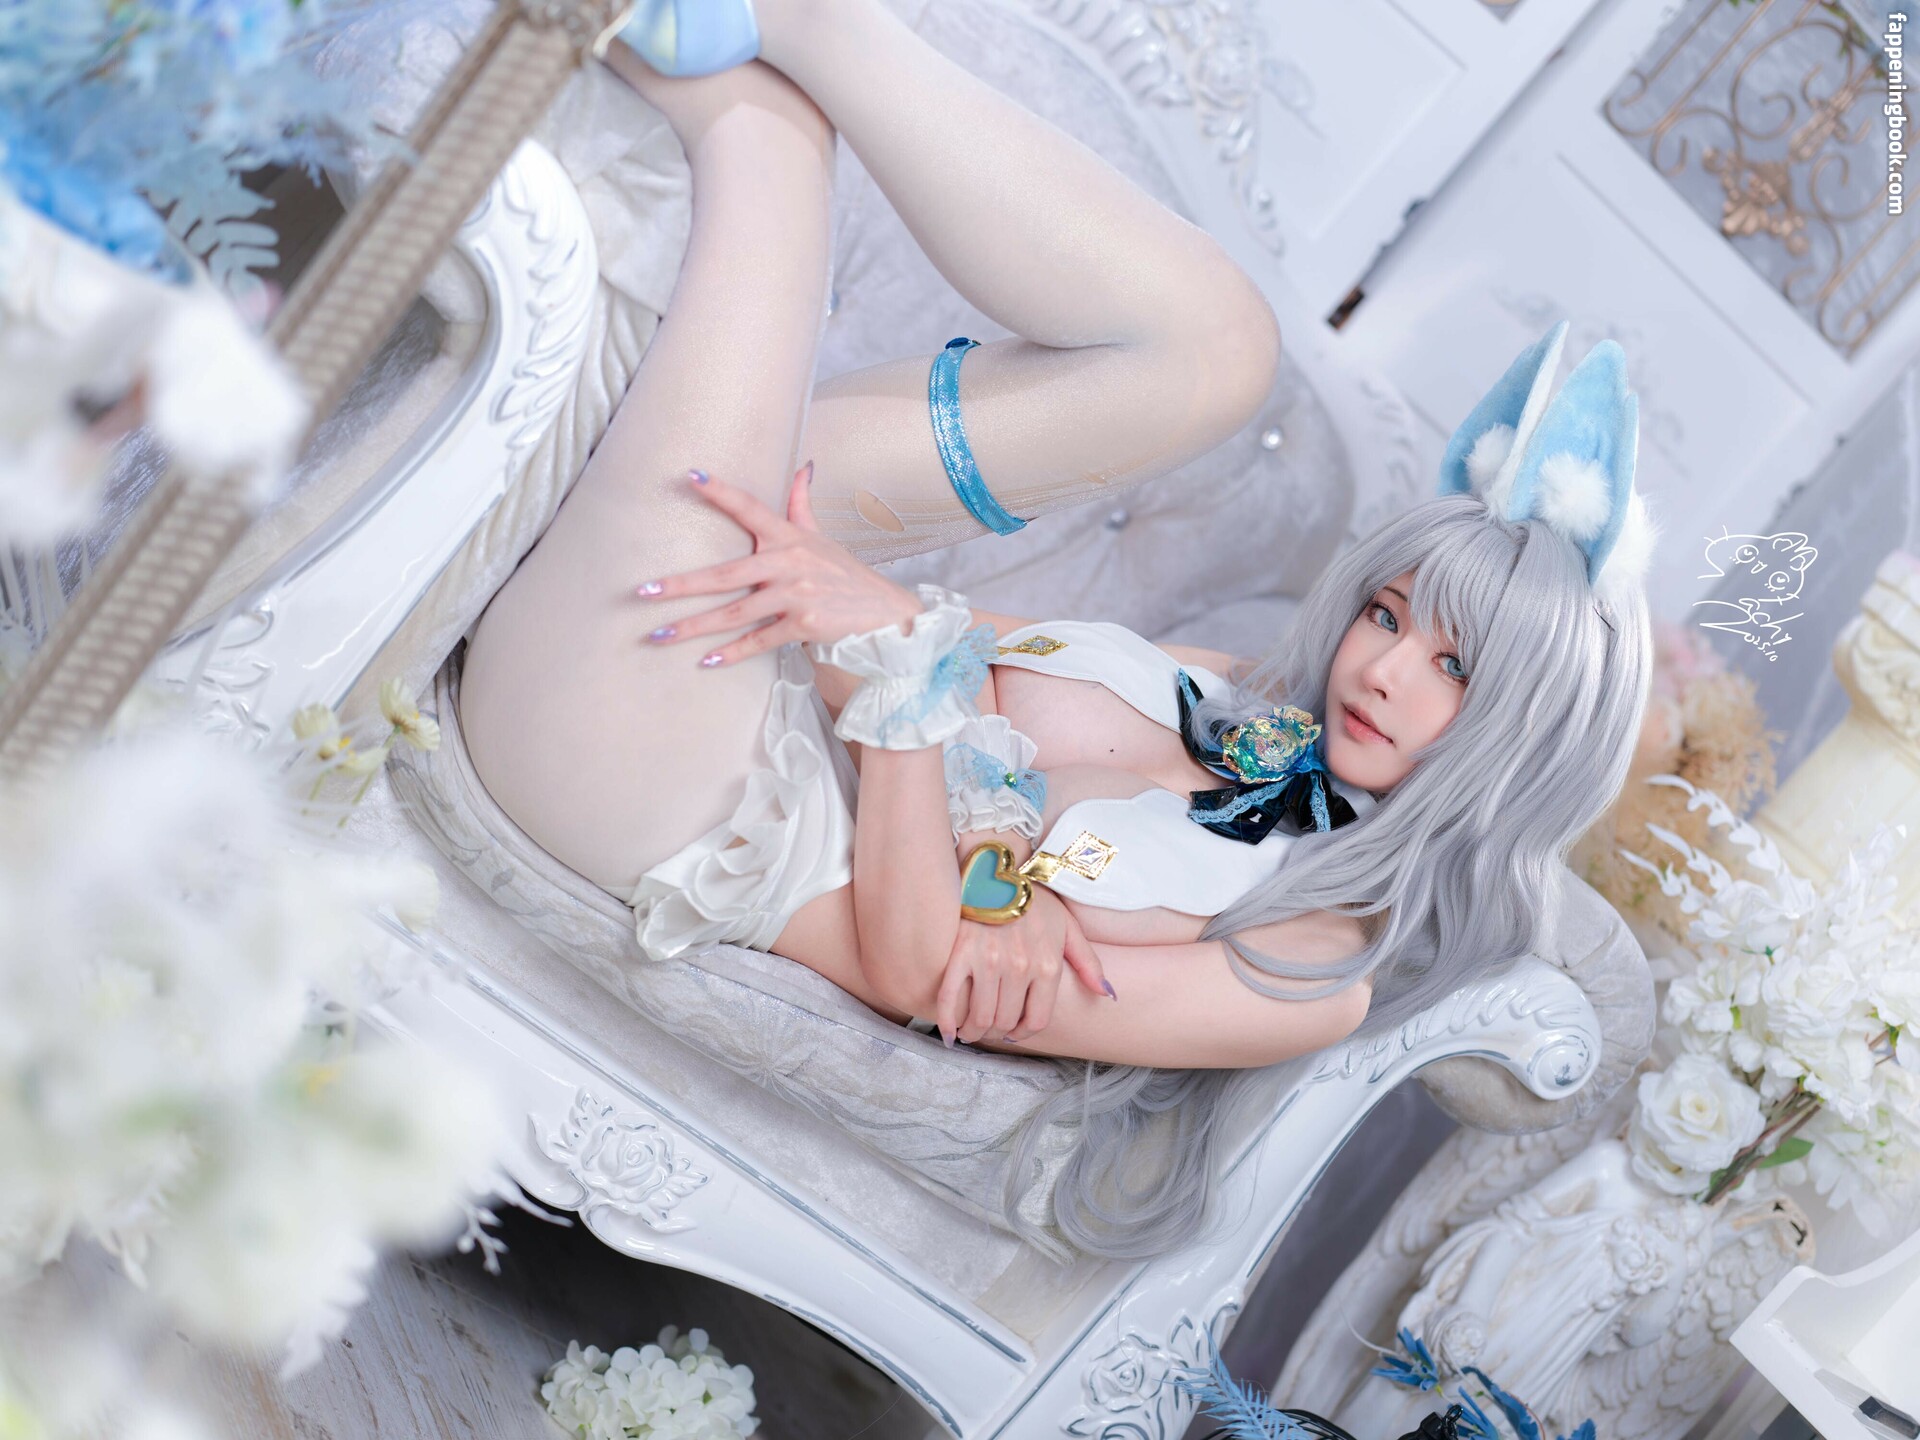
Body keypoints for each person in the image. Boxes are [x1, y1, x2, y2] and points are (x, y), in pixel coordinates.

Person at [457, 0, 1658, 1256]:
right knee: (1218, 349)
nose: (1387, 668)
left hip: (673, 792)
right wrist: (961, 781)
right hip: (745, 658)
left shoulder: (1312, 968)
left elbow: (919, 968)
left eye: (1455, 667)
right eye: (1386, 613)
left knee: (766, 145)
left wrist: (927, 712)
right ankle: (809, 16)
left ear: (1519, 738)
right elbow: (869, 638)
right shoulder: (1228, 693)